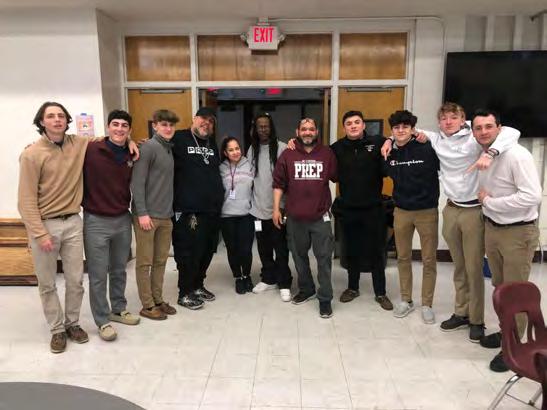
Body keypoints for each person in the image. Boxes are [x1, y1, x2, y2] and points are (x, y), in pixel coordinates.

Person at [381, 102, 520, 343]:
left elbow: (512, 132)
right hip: (451, 208)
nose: (448, 122)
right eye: (444, 118)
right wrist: (388, 140)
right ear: (438, 122)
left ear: (463, 120)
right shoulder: (435, 139)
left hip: (473, 209)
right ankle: (461, 312)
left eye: (453, 118)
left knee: (473, 268)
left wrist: (490, 152)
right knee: (459, 267)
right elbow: (403, 131)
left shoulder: (475, 137)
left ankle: (476, 320)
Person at [471, 109, 541, 372]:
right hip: (493, 228)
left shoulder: (517, 155)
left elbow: (532, 196)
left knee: (515, 292)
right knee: (500, 288)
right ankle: (506, 334)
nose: (483, 132)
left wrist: (490, 202)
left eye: (489, 126)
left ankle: (514, 347)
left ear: (499, 129)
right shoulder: (485, 152)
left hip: (517, 232)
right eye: (478, 128)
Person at [18, 101, 90, 353]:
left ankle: (72, 323)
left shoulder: (77, 144)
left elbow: (107, 139)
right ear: (42, 122)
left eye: (61, 115)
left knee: (75, 280)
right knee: (47, 282)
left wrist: (133, 143)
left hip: (73, 222)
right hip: (45, 224)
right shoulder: (32, 154)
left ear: (67, 120)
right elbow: (25, 200)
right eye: (51, 116)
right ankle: (57, 329)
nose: (57, 119)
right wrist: (40, 233)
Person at [82, 110, 140, 341]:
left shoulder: (132, 153)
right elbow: (63, 147)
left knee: (119, 270)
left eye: (124, 125)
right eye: (115, 124)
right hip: (96, 221)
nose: (119, 129)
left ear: (129, 130)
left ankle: (118, 308)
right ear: (108, 127)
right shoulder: (91, 150)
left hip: (122, 219)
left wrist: (132, 143)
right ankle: (102, 320)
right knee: (98, 275)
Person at [272, 118, 337, 318]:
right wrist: (276, 209)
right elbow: (278, 184)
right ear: (297, 132)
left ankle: (325, 298)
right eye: (304, 129)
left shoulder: (327, 153)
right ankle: (307, 289)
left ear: (316, 132)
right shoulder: (288, 154)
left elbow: (338, 177)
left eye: (311, 129)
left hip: (320, 217)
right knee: (299, 256)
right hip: (295, 217)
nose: (307, 132)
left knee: (324, 258)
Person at [330, 110, 393, 310]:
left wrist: (390, 140)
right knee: (352, 250)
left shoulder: (377, 142)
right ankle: (352, 288)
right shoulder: (336, 148)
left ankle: (380, 292)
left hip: (373, 208)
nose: (353, 126)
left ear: (363, 125)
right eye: (349, 123)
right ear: (344, 127)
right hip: (349, 208)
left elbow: (393, 141)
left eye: (357, 122)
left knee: (377, 251)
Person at [384, 110, 440, 324]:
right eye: (396, 128)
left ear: (412, 129)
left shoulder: (427, 147)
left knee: (429, 259)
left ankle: (427, 304)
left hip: (427, 211)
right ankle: (406, 300)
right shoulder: (389, 152)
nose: (401, 131)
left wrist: (420, 136)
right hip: (401, 211)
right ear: (392, 130)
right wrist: (388, 141)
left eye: (405, 127)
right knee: (403, 257)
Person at [172, 107, 224, 310]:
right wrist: (133, 143)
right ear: (194, 118)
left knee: (207, 250)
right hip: (188, 208)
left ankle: (198, 285)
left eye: (211, 121)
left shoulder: (212, 144)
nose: (206, 123)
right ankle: (185, 292)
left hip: (211, 209)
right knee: (188, 252)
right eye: (203, 118)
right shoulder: (179, 138)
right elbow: (156, 146)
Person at [131, 109, 178, 320]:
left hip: (165, 216)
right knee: (144, 262)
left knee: (160, 261)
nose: (168, 128)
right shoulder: (148, 147)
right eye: (164, 124)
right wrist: (142, 213)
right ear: (155, 126)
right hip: (147, 216)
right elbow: (137, 183)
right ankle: (147, 305)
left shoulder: (168, 148)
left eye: (171, 125)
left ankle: (158, 299)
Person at [247, 113, 292, 302]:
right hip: (257, 210)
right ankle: (268, 278)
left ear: (271, 128)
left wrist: (282, 207)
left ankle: (284, 282)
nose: (263, 129)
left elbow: (288, 180)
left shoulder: (282, 148)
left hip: (277, 210)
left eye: (266, 126)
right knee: (263, 247)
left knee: (280, 248)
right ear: (255, 129)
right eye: (260, 126)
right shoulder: (252, 149)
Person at [219, 137, 255, 294]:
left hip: (246, 214)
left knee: (246, 248)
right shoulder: (220, 168)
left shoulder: (249, 164)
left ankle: (247, 275)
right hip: (227, 216)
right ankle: (238, 277)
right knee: (232, 249)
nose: (235, 152)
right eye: (231, 150)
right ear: (225, 152)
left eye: (237, 148)